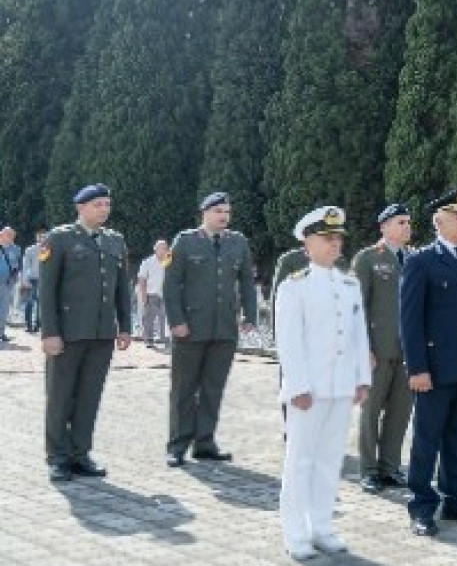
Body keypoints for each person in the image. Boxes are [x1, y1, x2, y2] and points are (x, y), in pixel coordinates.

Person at [274, 206, 371, 560]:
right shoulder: (294, 286)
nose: (335, 245)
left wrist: (362, 378)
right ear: (308, 243)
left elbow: (359, 336)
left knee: (330, 460)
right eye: (327, 239)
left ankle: (322, 526)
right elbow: (289, 340)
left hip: (342, 387)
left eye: (338, 239)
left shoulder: (350, 284)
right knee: (300, 461)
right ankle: (295, 533)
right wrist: (297, 385)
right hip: (309, 391)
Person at [400, 189, 457, 536]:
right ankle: (422, 507)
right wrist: (417, 368)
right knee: (427, 439)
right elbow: (410, 321)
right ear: (439, 220)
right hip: (435, 370)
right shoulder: (421, 261)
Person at [39, 184, 132, 481]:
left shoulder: (115, 241)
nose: (104, 209)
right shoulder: (60, 238)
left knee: (89, 396)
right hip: (67, 333)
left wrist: (126, 327)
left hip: (102, 334)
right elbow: (47, 290)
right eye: (98, 205)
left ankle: (80, 453)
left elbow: (122, 290)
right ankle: (57, 457)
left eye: (107, 204)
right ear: (81, 208)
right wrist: (49, 332)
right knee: (60, 396)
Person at [163, 192, 257, 467]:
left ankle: (205, 442)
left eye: (227, 211)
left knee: (213, 388)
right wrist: (176, 320)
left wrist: (249, 314)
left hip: (224, 328)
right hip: (190, 328)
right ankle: (178, 445)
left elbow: (247, 283)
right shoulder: (185, 241)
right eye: (217, 211)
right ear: (204, 213)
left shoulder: (238, 242)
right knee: (184, 388)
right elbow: (171, 284)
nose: (223, 216)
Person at [352, 203, 415, 493]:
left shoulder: (414, 258)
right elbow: (357, 307)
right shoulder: (367, 259)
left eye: (408, 222)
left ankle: (390, 467)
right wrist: (363, 347)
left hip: (408, 351)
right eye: (400, 222)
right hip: (377, 349)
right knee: (371, 410)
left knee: (400, 412)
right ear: (384, 227)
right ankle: (368, 470)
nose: (406, 227)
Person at [134, 239, 169, 348]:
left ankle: (163, 338)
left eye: (165, 248)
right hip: (151, 293)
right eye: (161, 248)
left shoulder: (168, 261)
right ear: (155, 249)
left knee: (163, 317)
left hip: (165, 294)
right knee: (149, 318)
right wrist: (143, 296)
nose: (164, 250)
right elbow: (142, 279)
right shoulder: (147, 262)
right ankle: (148, 340)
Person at [19, 229, 44, 334]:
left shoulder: (50, 249)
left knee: (41, 304)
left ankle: (37, 325)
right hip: (32, 279)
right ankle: (28, 325)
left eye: (45, 237)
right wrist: (24, 279)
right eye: (41, 237)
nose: (43, 239)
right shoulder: (30, 250)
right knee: (29, 303)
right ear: (37, 237)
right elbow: (25, 265)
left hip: (44, 279)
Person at [0, 226, 19, 342]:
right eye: (8, 235)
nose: (11, 238)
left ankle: (1, 333)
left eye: (12, 236)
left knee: (4, 310)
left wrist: (15, 277)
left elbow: (16, 265)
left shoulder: (16, 249)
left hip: (7, 284)